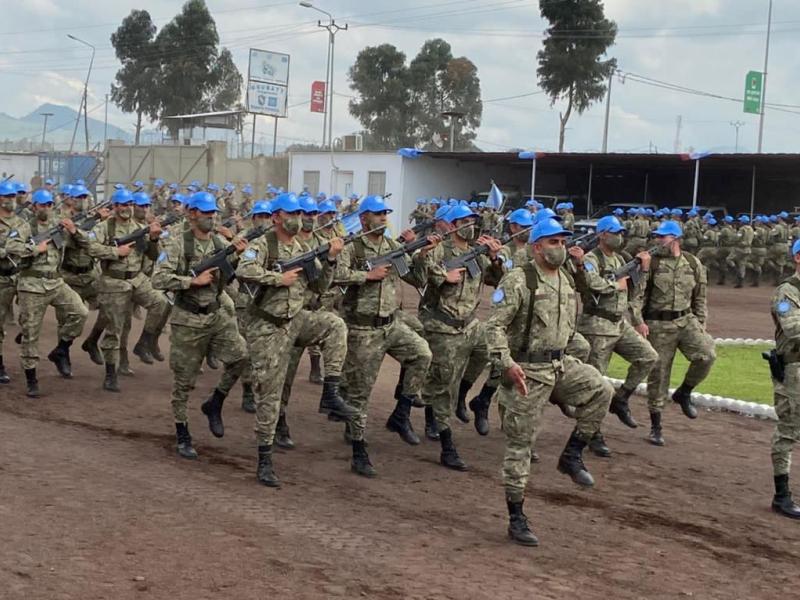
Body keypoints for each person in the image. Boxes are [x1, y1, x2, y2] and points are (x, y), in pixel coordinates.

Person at [486, 217, 613, 546]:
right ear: (537, 246)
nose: (560, 247)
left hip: (559, 364)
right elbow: (494, 327)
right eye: (553, 242)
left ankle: (571, 455)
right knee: (520, 447)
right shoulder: (519, 280)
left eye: (562, 242)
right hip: (526, 369)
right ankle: (516, 516)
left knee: (602, 389)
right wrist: (507, 363)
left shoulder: (566, 278)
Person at [235, 192, 357, 488]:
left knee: (334, 325)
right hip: (268, 326)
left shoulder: (305, 246)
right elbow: (244, 269)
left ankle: (330, 392)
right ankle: (264, 458)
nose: (298, 219)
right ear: (276, 217)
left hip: (297, 318)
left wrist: (328, 259)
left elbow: (321, 284)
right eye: (291, 214)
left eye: (300, 214)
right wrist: (279, 279)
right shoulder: (262, 244)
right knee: (270, 394)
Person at [334, 195, 434, 477]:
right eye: (377, 214)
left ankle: (400, 414)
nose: (383, 218)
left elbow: (417, 279)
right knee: (360, 394)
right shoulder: (352, 247)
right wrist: (367, 275)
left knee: (422, 354)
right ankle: (358, 449)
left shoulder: (392, 246)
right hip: (363, 329)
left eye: (385, 214)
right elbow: (336, 276)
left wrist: (423, 255)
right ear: (364, 217)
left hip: (391, 325)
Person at [151, 191, 249, 459]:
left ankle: (215, 402)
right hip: (188, 320)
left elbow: (227, 280)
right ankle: (182, 431)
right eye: (206, 212)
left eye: (213, 212)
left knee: (241, 356)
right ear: (191, 214)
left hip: (217, 315)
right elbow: (157, 279)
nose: (211, 216)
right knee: (184, 381)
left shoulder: (219, 243)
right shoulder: (177, 245)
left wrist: (236, 257)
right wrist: (190, 282)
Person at [415, 204, 504, 470]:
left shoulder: (476, 252)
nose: (472, 225)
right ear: (453, 225)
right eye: (465, 221)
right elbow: (421, 271)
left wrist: (496, 258)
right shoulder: (440, 248)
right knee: (443, 384)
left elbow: (496, 280)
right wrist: (444, 275)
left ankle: (468, 395)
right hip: (443, 326)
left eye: (473, 221)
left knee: (494, 356)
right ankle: (446, 443)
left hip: (470, 324)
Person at [574, 215, 658, 455]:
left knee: (647, 357)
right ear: (602, 235)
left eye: (621, 232)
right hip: (597, 326)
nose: (620, 236)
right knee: (595, 383)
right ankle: (591, 432)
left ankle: (621, 399)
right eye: (615, 232)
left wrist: (641, 271)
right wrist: (615, 285)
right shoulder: (591, 259)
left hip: (619, 325)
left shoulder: (621, 259)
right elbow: (590, 284)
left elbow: (632, 294)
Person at [631, 220, 716, 446]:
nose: (658, 241)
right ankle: (656, 425)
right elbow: (638, 295)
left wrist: (700, 324)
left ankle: (684, 392)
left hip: (686, 320)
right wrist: (638, 321)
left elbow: (700, 297)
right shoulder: (652, 263)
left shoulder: (692, 263)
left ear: (676, 239)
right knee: (659, 376)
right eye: (657, 237)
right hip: (658, 323)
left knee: (707, 355)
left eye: (663, 237)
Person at [5, 189, 89, 397]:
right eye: (42, 205)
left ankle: (61, 348)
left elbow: (85, 243)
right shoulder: (25, 226)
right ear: (34, 207)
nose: (47, 208)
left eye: (50, 204)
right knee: (31, 334)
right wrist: (35, 250)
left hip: (56, 282)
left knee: (80, 312)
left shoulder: (59, 223)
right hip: (32, 285)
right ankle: (31, 379)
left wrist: (74, 231)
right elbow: (11, 246)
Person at [87, 188, 169, 392]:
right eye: (122, 205)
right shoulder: (104, 227)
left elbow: (153, 255)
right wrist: (115, 251)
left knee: (161, 303)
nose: (126, 208)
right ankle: (110, 373)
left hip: (137, 279)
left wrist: (154, 239)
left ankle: (144, 342)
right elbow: (89, 247)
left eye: (129, 204)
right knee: (115, 330)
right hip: (114, 282)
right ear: (114, 207)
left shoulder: (140, 227)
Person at [768, 238, 800, 519]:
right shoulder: (786, 293)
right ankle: (782, 495)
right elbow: (793, 330)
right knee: (789, 430)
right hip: (794, 371)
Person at [0, 181, 26, 383]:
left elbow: (29, 245)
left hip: (19, 275)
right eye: (7, 196)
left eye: (12, 196)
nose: (11, 199)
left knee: (31, 315)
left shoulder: (21, 222)